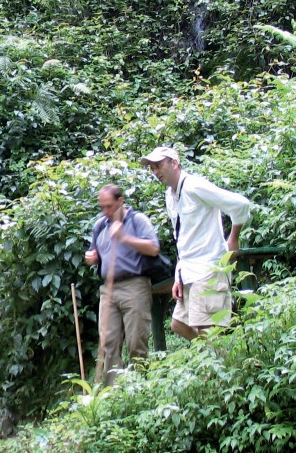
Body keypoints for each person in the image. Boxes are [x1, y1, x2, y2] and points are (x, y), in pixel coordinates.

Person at [140, 146, 252, 340]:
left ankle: (220, 365)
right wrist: (178, 275)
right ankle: (219, 361)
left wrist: (233, 237)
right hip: (189, 272)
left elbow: (240, 204)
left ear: (174, 163)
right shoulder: (170, 195)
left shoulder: (195, 186)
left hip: (209, 269)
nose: (155, 172)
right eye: (152, 168)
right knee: (178, 325)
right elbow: (182, 237)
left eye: (158, 165)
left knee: (207, 332)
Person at [83, 184, 161, 384]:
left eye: (109, 206)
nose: (105, 211)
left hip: (135, 286)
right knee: (109, 343)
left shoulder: (138, 221)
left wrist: (124, 237)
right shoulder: (100, 225)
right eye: (102, 207)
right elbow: (96, 253)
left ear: (120, 201)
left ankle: (139, 387)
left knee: (137, 341)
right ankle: (114, 394)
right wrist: (92, 257)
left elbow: (153, 248)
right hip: (108, 290)